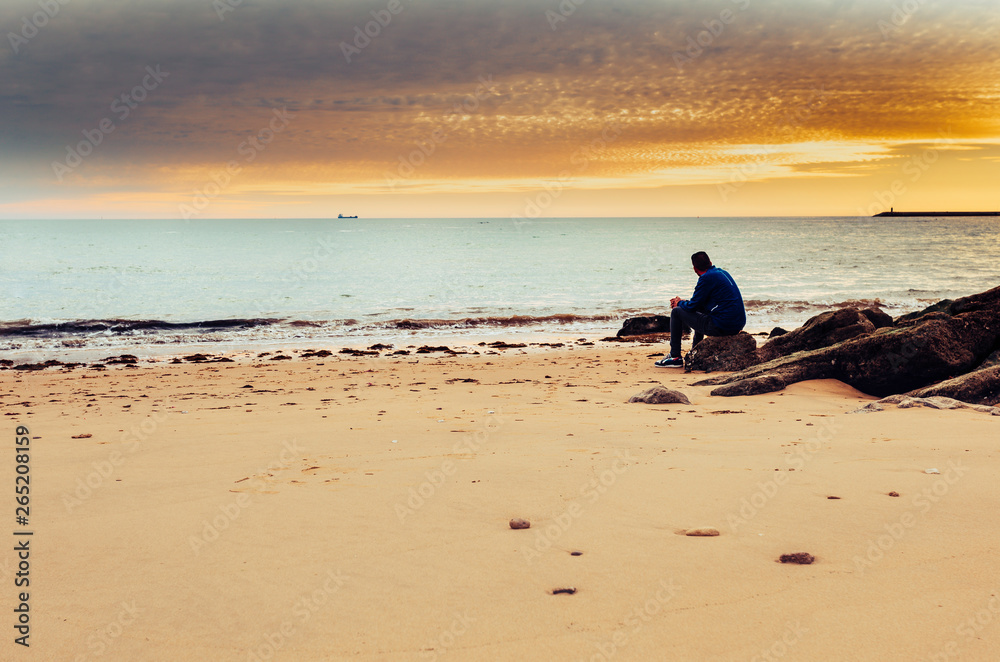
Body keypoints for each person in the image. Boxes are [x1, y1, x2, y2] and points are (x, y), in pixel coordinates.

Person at [654, 251, 746, 367]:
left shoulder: (706, 278)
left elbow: (692, 306)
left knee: (676, 312)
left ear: (694, 268)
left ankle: (675, 356)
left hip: (722, 326)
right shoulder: (722, 273)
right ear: (710, 262)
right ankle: (695, 351)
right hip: (737, 324)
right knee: (699, 310)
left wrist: (679, 303)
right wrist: (683, 302)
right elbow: (699, 305)